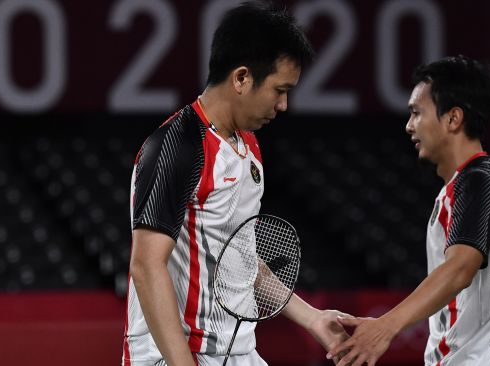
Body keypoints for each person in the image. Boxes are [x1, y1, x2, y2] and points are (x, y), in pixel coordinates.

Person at [123, 1, 349, 365]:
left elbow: (240, 258)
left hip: (237, 352)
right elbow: (146, 266)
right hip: (178, 355)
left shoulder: (250, 147)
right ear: (242, 78)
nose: (284, 105)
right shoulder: (177, 146)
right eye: (280, 90)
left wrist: (313, 318)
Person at [328, 55, 490, 366]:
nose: (409, 125)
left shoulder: (482, 178)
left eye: (416, 113)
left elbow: (461, 268)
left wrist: (385, 326)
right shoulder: (464, 185)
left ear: (453, 119)